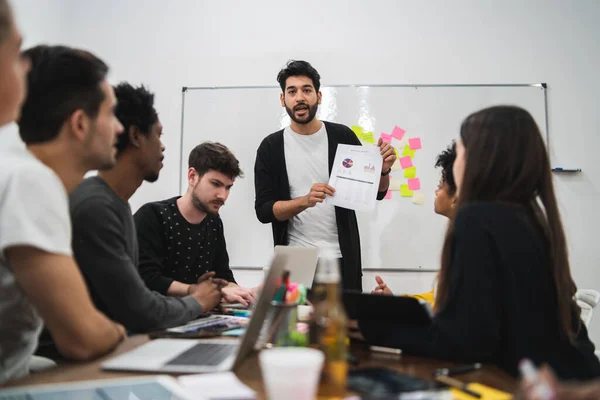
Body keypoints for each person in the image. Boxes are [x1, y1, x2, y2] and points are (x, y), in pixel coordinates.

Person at [358, 106, 600, 380]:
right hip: (575, 376)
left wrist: (371, 328)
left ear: (480, 159)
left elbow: (463, 341)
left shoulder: (477, 218)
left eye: (460, 152)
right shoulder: (529, 215)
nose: (455, 163)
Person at [0, 43, 126, 383]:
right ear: (80, 124)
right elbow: (82, 338)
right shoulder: (29, 181)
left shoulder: (12, 168)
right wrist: (116, 331)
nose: (119, 129)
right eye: (111, 114)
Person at [69, 83, 224, 334]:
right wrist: (196, 301)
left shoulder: (116, 204)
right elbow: (138, 309)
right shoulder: (96, 207)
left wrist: (194, 297)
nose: (162, 146)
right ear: (135, 136)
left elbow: (138, 299)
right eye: (158, 135)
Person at [254, 60, 396, 291]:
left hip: (342, 256)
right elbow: (263, 210)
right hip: (294, 258)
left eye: (307, 90)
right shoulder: (270, 147)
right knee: (294, 324)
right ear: (283, 100)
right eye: (292, 91)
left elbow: (377, 192)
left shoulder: (343, 136)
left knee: (342, 323)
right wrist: (304, 201)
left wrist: (384, 170)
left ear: (319, 96)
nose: (300, 97)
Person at [135, 142, 255, 306]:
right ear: (192, 177)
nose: (223, 195)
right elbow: (147, 278)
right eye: (215, 184)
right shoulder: (153, 215)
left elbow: (224, 277)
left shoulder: (214, 222)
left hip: (195, 316)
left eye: (228, 187)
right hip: (157, 317)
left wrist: (245, 293)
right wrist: (198, 292)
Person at [372, 142, 457, 306]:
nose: (436, 191)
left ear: (456, 197)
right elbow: (436, 299)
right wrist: (396, 304)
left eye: (440, 186)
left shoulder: (470, 244)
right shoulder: (456, 237)